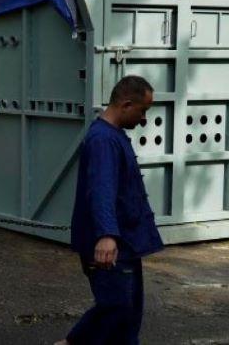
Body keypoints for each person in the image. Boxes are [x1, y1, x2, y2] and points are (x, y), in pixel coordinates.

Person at [56, 75, 164, 345]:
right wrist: (106, 235)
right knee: (117, 306)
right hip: (112, 244)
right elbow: (101, 190)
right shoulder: (103, 140)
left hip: (125, 243)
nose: (144, 119)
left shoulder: (111, 136)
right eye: (143, 111)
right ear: (126, 104)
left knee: (127, 311)